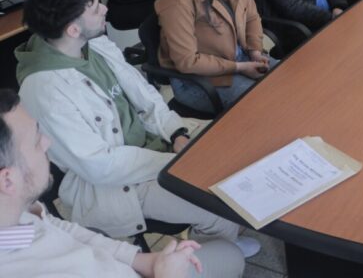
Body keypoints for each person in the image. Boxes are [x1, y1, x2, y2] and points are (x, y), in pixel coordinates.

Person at [14, 0, 259, 257]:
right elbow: (100, 166)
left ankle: (223, 232)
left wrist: (176, 133)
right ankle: (214, 247)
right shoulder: (44, 90)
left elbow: (147, 97)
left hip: (153, 149)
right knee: (213, 200)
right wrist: (171, 161)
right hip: (114, 183)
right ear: (72, 29)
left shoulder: (92, 45)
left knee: (239, 146)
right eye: (95, 7)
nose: (105, 9)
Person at [0, 90, 246, 277]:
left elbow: (65, 230)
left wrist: (145, 262)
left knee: (231, 254)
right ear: (7, 179)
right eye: (35, 141)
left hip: (131, 267)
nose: (47, 143)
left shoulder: (19, 212)